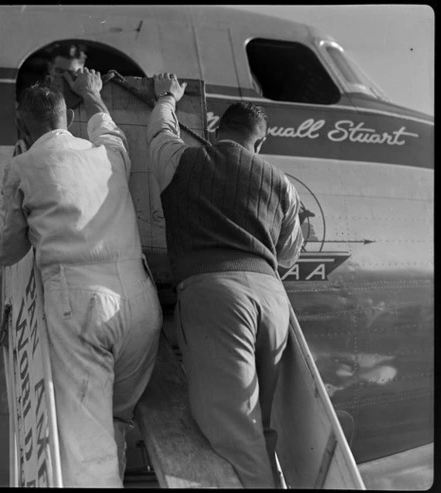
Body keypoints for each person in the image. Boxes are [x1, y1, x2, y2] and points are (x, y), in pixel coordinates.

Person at [0, 69, 162, 487]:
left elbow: (3, 251)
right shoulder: (107, 154)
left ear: (20, 126)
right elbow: (111, 130)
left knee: (87, 451)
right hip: (141, 303)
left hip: (82, 307)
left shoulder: (23, 166)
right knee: (115, 421)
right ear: (67, 118)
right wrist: (93, 93)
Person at [147, 73, 304, 488]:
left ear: (217, 131)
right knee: (261, 423)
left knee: (232, 430)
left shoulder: (184, 161)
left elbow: (159, 132)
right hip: (272, 300)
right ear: (261, 142)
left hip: (216, 295)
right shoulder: (282, 184)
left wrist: (168, 97)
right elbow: (288, 254)